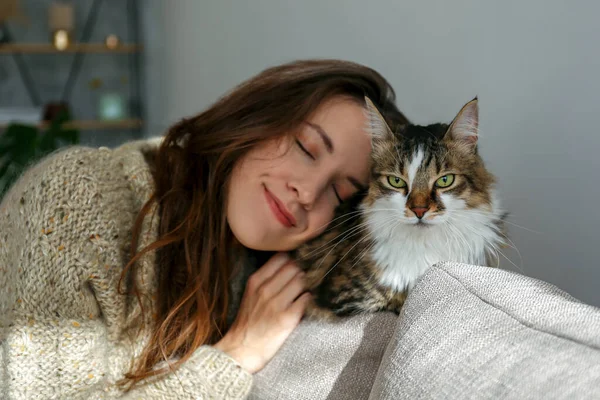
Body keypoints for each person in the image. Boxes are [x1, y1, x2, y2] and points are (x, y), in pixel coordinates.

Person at [0, 59, 408, 399]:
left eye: (339, 193)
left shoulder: (271, 269)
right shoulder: (76, 196)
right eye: (306, 148)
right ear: (259, 117)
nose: (307, 192)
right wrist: (234, 356)